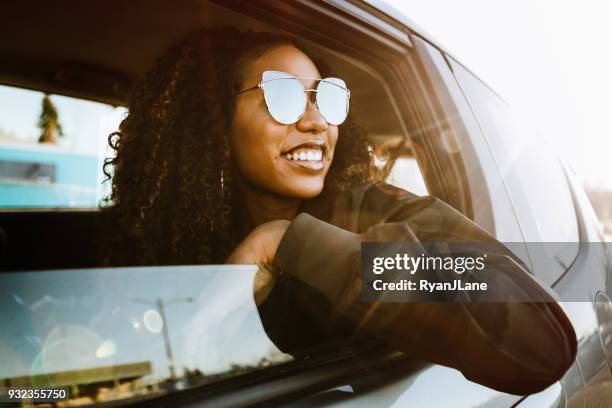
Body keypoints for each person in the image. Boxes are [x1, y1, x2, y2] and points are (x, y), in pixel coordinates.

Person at [101, 26, 576, 395]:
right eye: (283, 97)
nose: (315, 121)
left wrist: (289, 243)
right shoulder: (169, 237)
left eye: (325, 97)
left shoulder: (376, 213)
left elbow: (541, 345)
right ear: (213, 124)